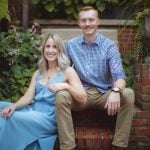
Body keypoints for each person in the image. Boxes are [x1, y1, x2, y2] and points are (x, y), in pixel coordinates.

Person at [55, 6, 135, 150]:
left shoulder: (109, 46)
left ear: (98, 21)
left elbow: (120, 76)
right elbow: (62, 72)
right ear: (79, 23)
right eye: (83, 20)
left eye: (91, 19)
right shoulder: (71, 46)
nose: (87, 23)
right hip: (81, 95)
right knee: (61, 96)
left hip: (104, 95)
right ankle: (67, 147)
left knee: (128, 94)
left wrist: (116, 91)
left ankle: (119, 146)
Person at [0, 33, 87, 150]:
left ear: (60, 50)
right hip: (34, 109)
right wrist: (14, 106)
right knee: (2, 106)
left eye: (54, 47)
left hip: (49, 117)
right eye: (48, 46)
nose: (50, 50)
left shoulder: (68, 71)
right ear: (43, 49)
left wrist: (66, 86)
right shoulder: (38, 72)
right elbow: (28, 98)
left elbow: (83, 98)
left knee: (11, 117)